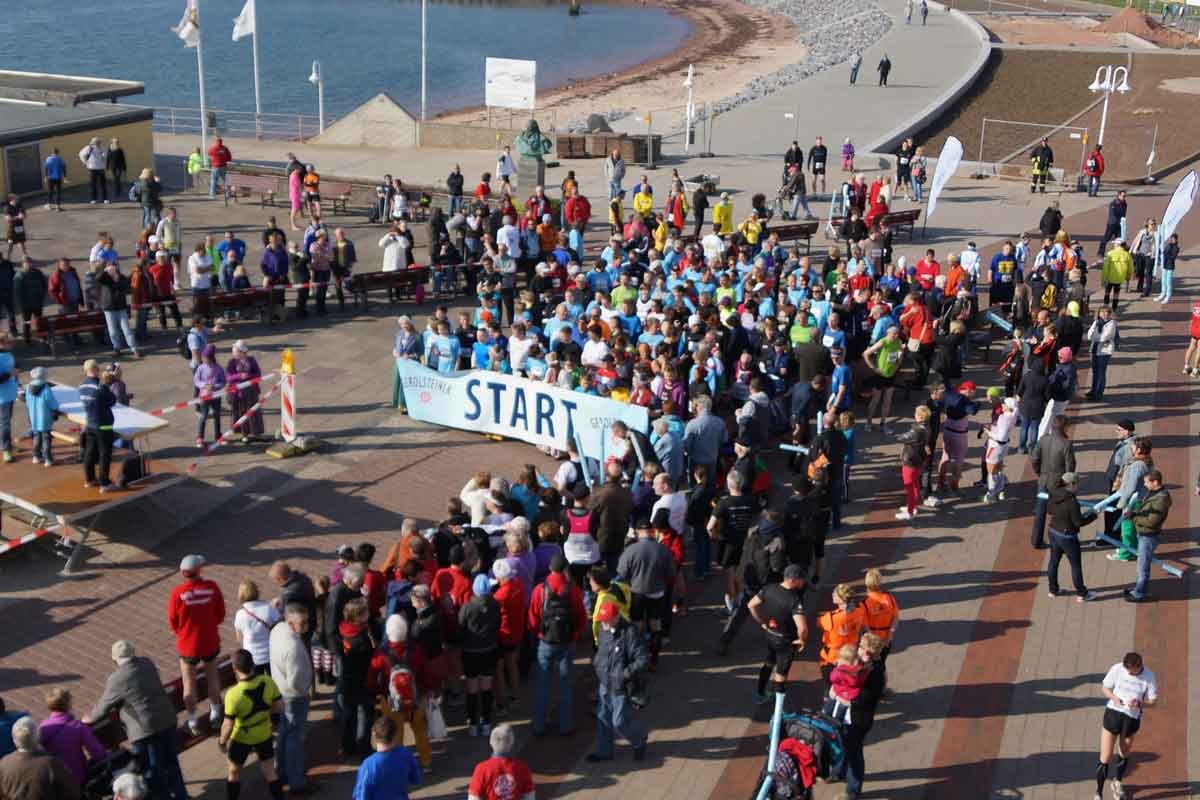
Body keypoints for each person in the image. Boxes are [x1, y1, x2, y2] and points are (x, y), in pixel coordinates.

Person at [86, 641, 187, 799]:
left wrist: (88, 718)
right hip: (167, 720)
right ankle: (182, 797)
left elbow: (102, 709)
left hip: (145, 731)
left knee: (152, 771)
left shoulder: (117, 679)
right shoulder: (147, 663)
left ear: (115, 659)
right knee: (172, 765)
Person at [527, 554, 586, 736]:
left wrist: (538, 633)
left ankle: (539, 725)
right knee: (565, 684)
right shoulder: (572, 589)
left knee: (543, 684)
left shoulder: (540, 590)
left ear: (550, 568)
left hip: (546, 641)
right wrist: (575, 634)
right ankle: (565, 725)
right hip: (567, 642)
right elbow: (580, 616)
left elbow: (533, 616)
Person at [168, 554, 226, 735]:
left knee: (189, 684)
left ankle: (192, 719)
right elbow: (220, 614)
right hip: (209, 642)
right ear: (199, 570)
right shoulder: (211, 587)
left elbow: (172, 620)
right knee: (212, 677)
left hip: (187, 646)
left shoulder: (177, 594)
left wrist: (183, 633)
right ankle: (215, 712)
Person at [587, 601, 650, 763]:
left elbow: (642, 659)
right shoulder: (603, 629)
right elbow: (601, 651)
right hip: (605, 683)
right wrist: (598, 666)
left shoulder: (629, 633)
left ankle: (639, 740)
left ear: (616, 617)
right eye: (602, 620)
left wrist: (624, 674)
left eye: (606, 620)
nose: (603, 623)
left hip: (620, 687)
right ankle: (604, 752)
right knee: (602, 717)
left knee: (619, 722)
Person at [219, 649, 286, 800]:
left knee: (234, 771)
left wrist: (222, 742)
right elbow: (280, 706)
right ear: (253, 664)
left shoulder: (233, 694)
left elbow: (228, 725)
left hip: (241, 738)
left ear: (234, 669)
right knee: (269, 770)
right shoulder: (267, 681)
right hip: (264, 733)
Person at [1096, 652, 1157, 800]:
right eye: (1127, 670)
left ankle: (1117, 783)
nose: (1129, 672)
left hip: (1131, 719)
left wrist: (1140, 703)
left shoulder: (1149, 676)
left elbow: (1154, 701)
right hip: (1113, 714)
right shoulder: (1117, 669)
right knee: (1105, 756)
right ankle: (1098, 792)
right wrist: (1114, 698)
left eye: (1132, 671)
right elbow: (1105, 688)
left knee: (1124, 753)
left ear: (1139, 666)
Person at [268, 602, 314, 795]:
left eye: (306, 622)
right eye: (302, 623)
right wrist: (304, 690)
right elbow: (295, 681)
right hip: (294, 696)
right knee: (295, 738)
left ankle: (282, 770)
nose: (305, 626)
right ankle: (297, 782)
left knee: (285, 734)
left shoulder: (277, 630)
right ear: (290, 621)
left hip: (280, 690)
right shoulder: (293, 646)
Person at [618, 518, 676, 671]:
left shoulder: (630, 550)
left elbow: (621, 573)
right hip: (657, 593)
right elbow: (671, 573)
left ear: (637, 532)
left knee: (636, 626)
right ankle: (654, 660)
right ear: (651, 531)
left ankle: (636, 658)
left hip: (636, 593)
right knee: (656, 626)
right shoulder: (662, 549)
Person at [747, 564, 808, 702]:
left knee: (769, 662)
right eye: (801, 579)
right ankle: (778, 705)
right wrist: (802, 639)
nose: (803, 582)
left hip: (770, 635)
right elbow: (802, 628)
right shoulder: (794, 600)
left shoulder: (769, 588)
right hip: (785, 641)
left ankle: (760, 693)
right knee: (781, 672)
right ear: (793, 580)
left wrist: (761, 622)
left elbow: (751, 604)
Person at [37, 688, 106, 788]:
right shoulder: (78, 727)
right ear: (68, 704)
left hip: (55, 780)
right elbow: (97, 753)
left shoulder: (43, 727)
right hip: (77, 777)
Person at [460, 573, 501, 737]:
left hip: (470, 651)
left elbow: (461, 626)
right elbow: (498, 624)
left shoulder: (468, 607)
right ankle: (486, 721)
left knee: (471, 688)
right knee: (486, 686)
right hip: (489, 649)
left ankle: (473, 723)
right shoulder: (495, 604)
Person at [1046, 473, 1097, 602]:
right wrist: (1093, 515)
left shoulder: (1053, 493)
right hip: (1068, 537)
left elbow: (1050, 511)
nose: (1078, 488)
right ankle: (1082, 593)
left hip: (1053, 531)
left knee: (1053, 561)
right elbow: (1078, 522)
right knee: (1075, 566)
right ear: (1071, 484)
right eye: (1077, 484)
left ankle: (1053, 590)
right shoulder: (1072, 502)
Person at [0, 716, 79, 800]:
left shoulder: (4, 763)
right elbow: (73, 792)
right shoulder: (51, 764)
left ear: (14, 740)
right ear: (37, 737)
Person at [1123, 469, 1172, 603]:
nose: (1144, 485)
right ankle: (1138, 589)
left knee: (1143, 566)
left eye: (1146, 482)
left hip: (1148, 535)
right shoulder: (1154, 493)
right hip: (1144, 534)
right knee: (1141, 564)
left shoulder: (1161, 500)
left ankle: (1139, 593)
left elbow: (1151, 522)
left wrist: (1134, 517)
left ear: (1155, 482)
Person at [1031, 415, 1076, 549]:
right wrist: (1068, 484)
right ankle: (1060, 541)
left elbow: (1034, 459)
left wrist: (1040, 473)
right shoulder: (1066, 444)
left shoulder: (1043, 440)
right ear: (1065, 427)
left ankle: (1036, 541)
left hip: (1043, 481)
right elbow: (1070, 467)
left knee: (1040, 512)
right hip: (1058, 484)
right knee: (1061, 513)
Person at [353, 717, 422, 800]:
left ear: (374, 734)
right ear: (395, 735)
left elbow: (361, 796)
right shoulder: (405, 754)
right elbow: (416, 779)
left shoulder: (368, 765)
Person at [816, 583, 867, 686]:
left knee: (830, 685)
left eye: (835, 594)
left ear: (842, 598)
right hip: (850, 653)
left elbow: (819, 623)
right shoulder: (859, 611)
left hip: (832, 656)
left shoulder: (831, 617)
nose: (832, 594)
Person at [78, 358, 117, 490]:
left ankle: (89, 479)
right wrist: (107, 385)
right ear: (96, 369)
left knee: (89, 452)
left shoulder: (82, 386)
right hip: (103, 424)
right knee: (104, 454)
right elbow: (112, 400)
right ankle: (104, 482)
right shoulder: (100, 387)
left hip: (90, 424)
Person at [468, 724, 534, 800]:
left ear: (490, 743)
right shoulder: (522, 768)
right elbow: (529, 797)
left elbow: (473, 798)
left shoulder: (481, 769)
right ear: (511, 743)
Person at [193, 344, 226, 447]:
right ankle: (200, 437)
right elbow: (196, 380)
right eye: (203, 358)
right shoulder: (200, 368)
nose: (203, 359)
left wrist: (215, 386)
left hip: (216, 396)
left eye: (205, 358)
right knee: (204, 416)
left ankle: (218, 436)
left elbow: (223, 381)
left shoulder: (219, 368)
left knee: (217, 415)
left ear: (211, 357)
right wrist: (204, 385)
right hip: (204, 396)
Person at [1101, 239, 1133, 312]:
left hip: (1110, 277)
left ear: (1117, 245)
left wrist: (1103, 279)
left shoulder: (1110, 254)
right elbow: (1130, 267)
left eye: (1114, 244)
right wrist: (1128, 275)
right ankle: (1114, 309)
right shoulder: (1127, 254)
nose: (1113, 245)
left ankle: (1105, 307)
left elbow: (1105, 268)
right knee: (1116, 294)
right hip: (1120, 278)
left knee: (1107, 292)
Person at [79, 136, 109, 203]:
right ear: (93, 142)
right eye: (97, 142)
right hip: (93, 168)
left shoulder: (102, 148)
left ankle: (104, 199)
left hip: (100, 168)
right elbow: (81, 154)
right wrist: (85, 162)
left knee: (102, 185)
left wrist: (103, 155)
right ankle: (94, 199)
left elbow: (105, 156)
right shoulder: (89, 148)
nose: (98, 143)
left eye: (99, 142)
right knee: (94, 185)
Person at [1099, 190, 1128, 258]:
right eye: (1123, 196)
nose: (1124, 197)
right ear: (1119, 196)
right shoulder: (1113, 204)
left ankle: (1119, 252)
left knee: (1120, 239)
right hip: (1112, 224)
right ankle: (1101, 252)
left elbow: (1124, 214)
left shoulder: (1125, 204)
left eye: (1125, 196)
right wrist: (1116, 222)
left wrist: (1123, 222)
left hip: (1119, 224)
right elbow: (1112, 215)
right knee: (1106, 238)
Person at [1156, 232, 1179, 304]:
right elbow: (1164, 252)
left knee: (1168, 282)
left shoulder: (1176, 248)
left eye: (1173, 238)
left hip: (1170, 266)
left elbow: (1173, 257)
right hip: (1165, 265)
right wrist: (1164, 253)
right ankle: (1162, 294)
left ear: (1176, 240)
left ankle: (1168, 296)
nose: (1171, 239)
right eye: (1171, 238)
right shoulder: (1168, 245)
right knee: (1163, 281)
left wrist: (1166, 254)